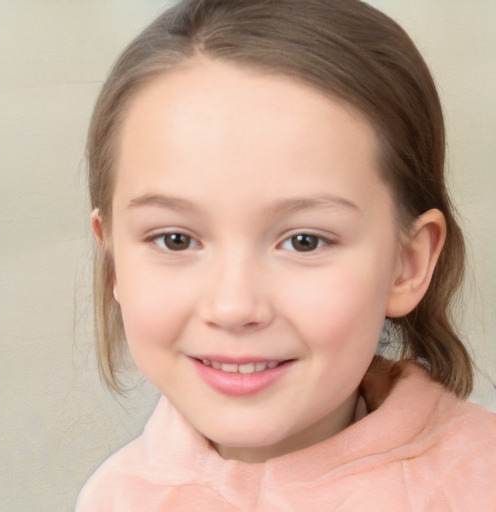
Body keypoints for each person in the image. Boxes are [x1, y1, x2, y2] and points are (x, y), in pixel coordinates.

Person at [76, 0, 496, 510]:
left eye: (304, 241)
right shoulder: (114, 498)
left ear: (406, 264)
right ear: (114, 256)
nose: (233, 307)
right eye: (176, 240)